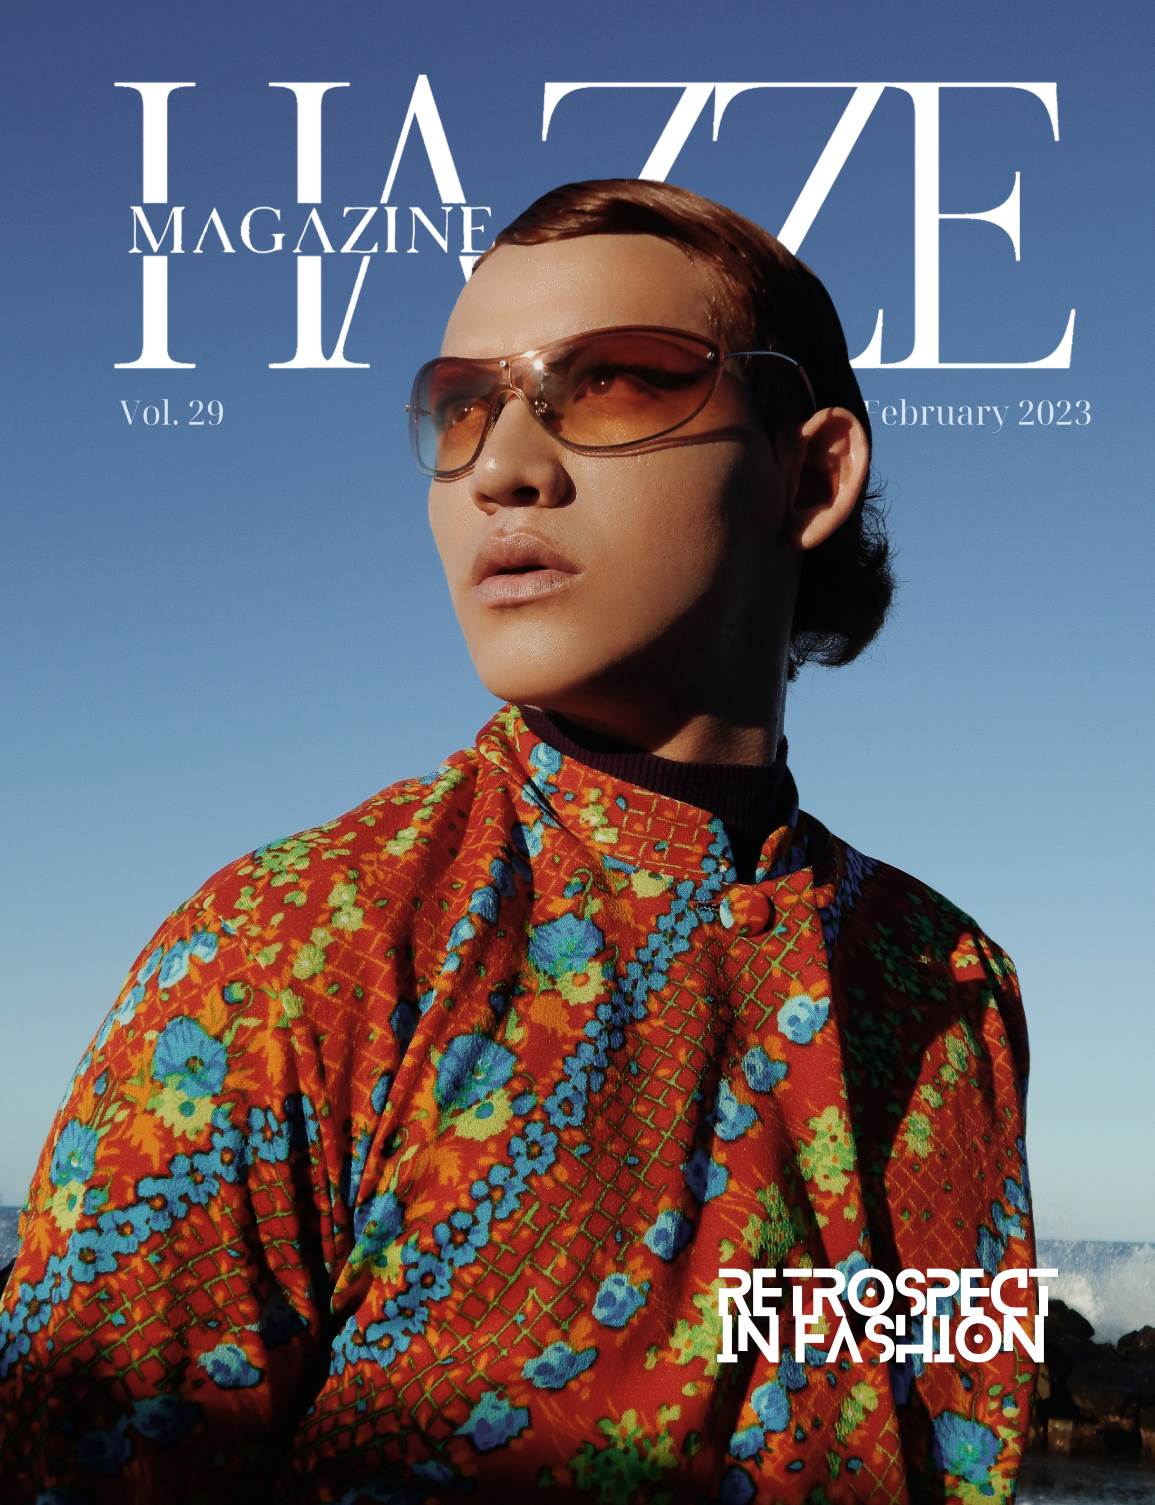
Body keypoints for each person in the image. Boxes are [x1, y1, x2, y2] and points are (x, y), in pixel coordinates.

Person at [0, 179, 1038, 1503]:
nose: (501, 465)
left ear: (815, 472)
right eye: (462, 407)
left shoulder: (950, 981)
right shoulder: (296, 949)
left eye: (614, 383)